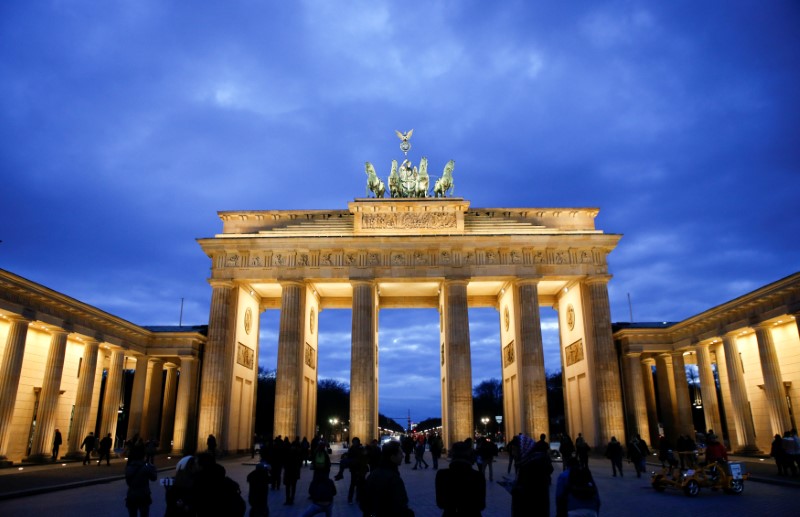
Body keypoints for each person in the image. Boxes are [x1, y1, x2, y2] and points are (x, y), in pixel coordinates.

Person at [360, 440, 413, 517]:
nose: (403, 456)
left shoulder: (373, 474)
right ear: (392, 457)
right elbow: (400, 506)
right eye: (400, 453)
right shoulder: (393, 479)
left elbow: (365, 502)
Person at [435, 441, 485, 516]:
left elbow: (440, 504)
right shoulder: (478, 476)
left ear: (452, 455)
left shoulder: (442, 475)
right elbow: (481, 505)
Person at [512, 434, 553, 517]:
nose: (513, 453)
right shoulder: (526, 462)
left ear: (523, 449)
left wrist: (517, 490)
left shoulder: (534, 467)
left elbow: (533, 495)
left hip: (531, 511)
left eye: (515, 450)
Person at [125, 443, 158, 517]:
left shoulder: (128, 467)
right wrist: (154, 468)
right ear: (143, 456)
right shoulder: (146, 467)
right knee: (144, 514)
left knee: (132, 515)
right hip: (143, 494)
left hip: (131, 494)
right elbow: (154, 478)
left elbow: (128, 481)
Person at [247, 451, 271, 517]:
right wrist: (268, 471)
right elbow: (270, 480)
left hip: (252, 497)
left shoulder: (252, 475)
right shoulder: (264, 475)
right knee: (262, 511)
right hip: (261, 498)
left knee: (254, 509)